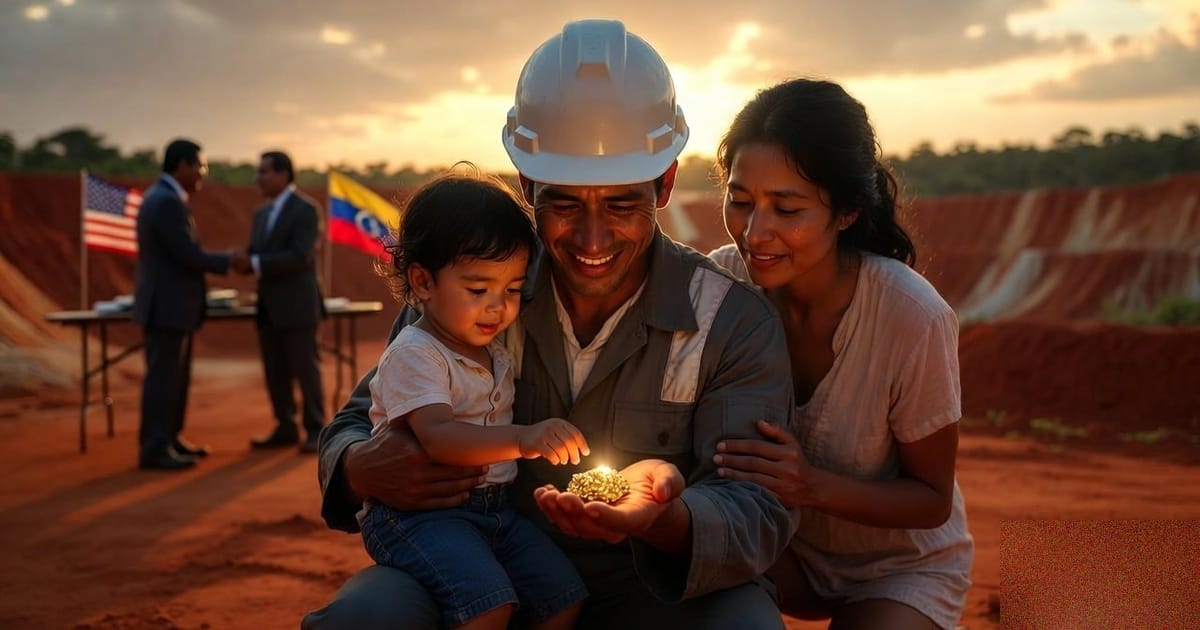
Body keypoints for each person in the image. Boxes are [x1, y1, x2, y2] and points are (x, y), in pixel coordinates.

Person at [304, 19, 796, 630]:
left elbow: (758, 509)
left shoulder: (730, 321)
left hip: (654, 589)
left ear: (665, 183)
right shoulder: (469, 289)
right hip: (484, 567)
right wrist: (359, 467)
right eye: (563, 203)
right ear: (527, 184)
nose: (592, 239)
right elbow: (358, 421)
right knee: (367, 619)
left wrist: (661, 516)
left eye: (621, 204)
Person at [707, 78, 974, 630]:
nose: (755, 233)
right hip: (773, 552)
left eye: (787, 209)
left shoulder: (911, 315)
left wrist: (810, 486)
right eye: (740, 202)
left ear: (847, 211)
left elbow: (930, 501)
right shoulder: (720, 284)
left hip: (898, 568)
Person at [362, 170, 589, 629]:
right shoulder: (416, 353)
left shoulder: (494, 351)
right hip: (420, 518)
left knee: (564, 595)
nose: (497, 307)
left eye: (511, 290)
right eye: (477, 289)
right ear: (423, 283)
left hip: (495, 512)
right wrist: (525, 438)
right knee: (487, 604)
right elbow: (440, 437)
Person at [132, 138, 245, 470]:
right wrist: (229, 260)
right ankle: (155, 447)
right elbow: (187, 255)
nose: (203, 173)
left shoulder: (162, 197)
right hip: (167, 307)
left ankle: (168, 438)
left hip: (170, 307)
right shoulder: (166, 201)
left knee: (173, 378)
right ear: (181, 165)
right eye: (200, 165)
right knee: (164, 379)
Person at [240, 150, 327, 453]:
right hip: (268, 306)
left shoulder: (306, 209)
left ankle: (316, 428)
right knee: (274, 369)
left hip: (298, 305)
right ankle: (285, 425)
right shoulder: (260, 214)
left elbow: (300, 254)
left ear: (282, 174)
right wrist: (243, 260)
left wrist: (255, 263)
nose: (258, 178)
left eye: (264, 172)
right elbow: (255, 252)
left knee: (305, 368)